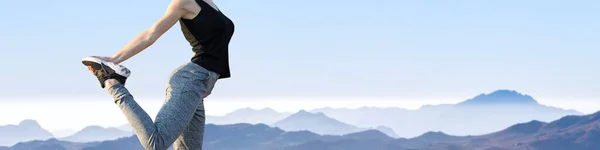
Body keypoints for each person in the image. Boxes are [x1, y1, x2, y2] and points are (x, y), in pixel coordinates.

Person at [81, 0, 234, 149]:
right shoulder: (183, 2)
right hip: (191, 80)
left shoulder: (208, 2)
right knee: (156, 143)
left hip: (201, 86)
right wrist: (113, 59)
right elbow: (151, 34)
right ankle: (113, 83)